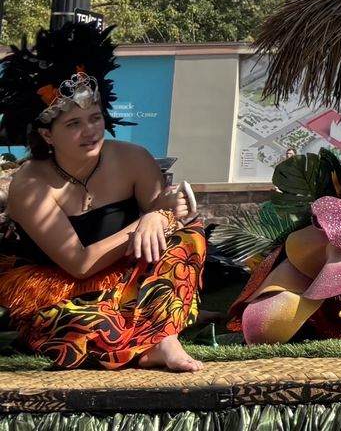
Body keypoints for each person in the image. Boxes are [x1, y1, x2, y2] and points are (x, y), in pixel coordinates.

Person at [0, 19, 204, 372]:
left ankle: (163, 338)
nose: (90, 131)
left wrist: (164, 214)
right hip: (61, 286)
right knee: (83, 328)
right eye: (73, 124)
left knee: (189, 241)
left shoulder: (133, 158)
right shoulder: (30, 186)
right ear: (48, 135)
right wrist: (145, 221)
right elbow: (79, 265)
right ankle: (151, 336)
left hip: (127, 276)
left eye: (94, 118)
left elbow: (167, 219)